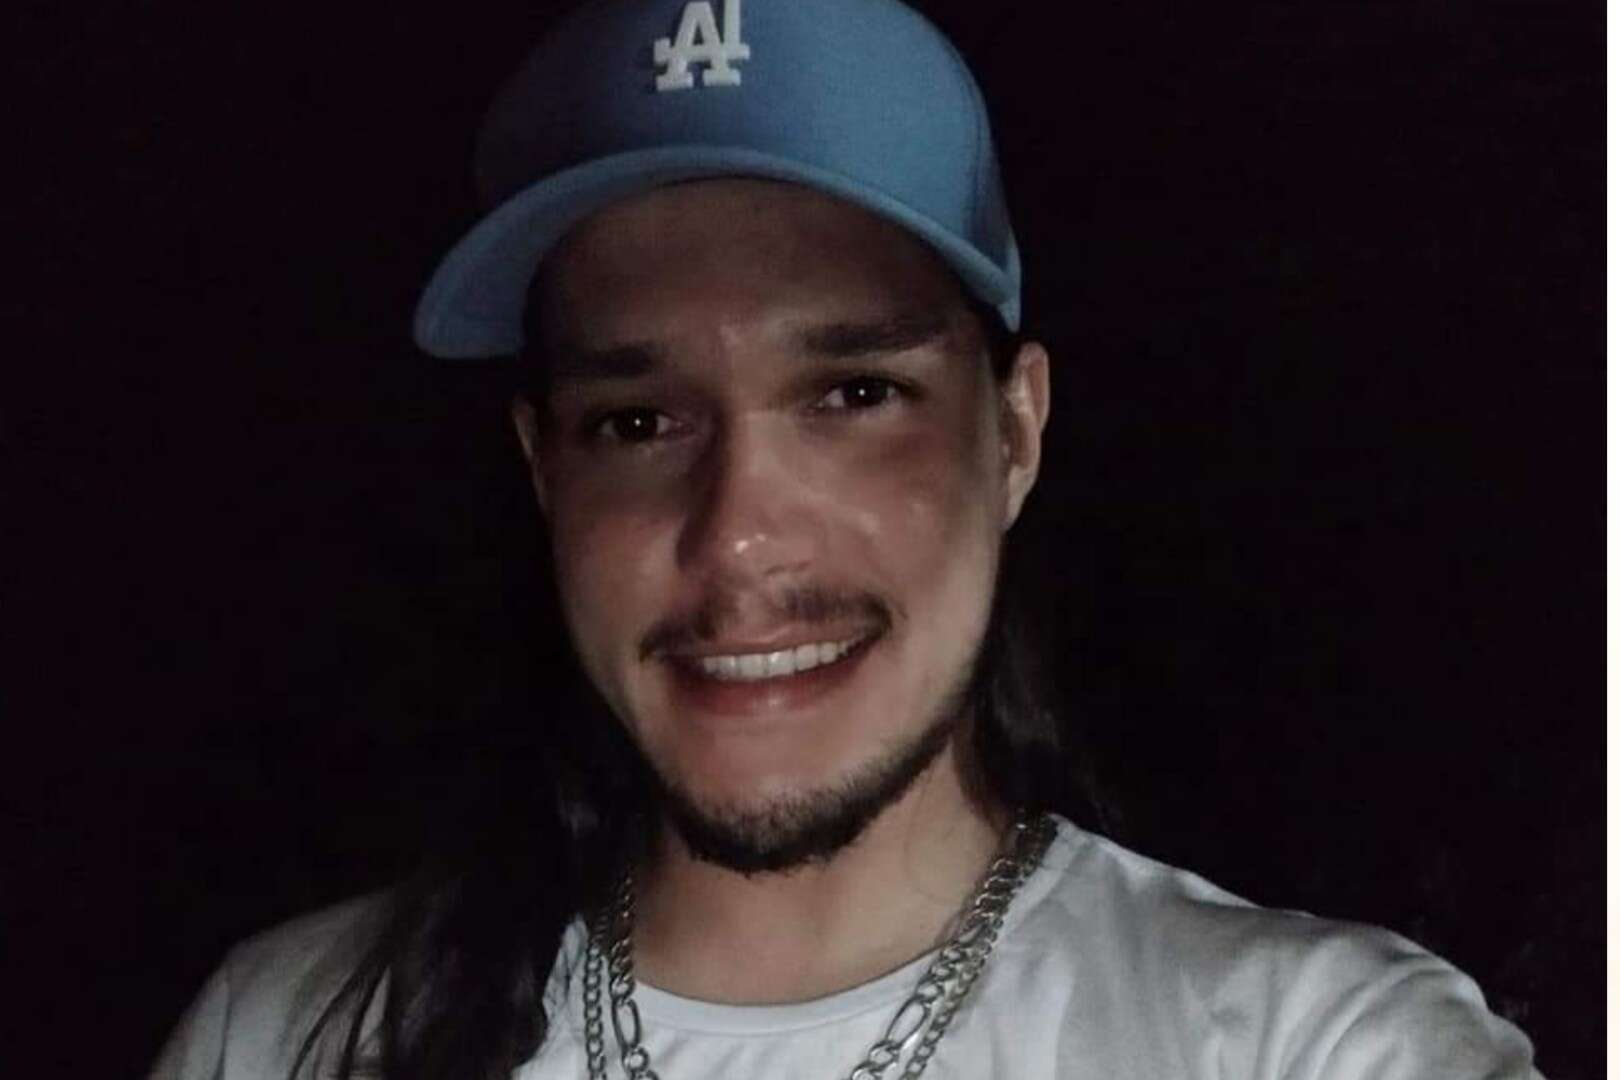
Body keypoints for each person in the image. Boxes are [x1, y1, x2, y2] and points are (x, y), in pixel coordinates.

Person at [151, 0, 1543, 1077]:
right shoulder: (291, 1034)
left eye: (854, 395)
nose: (740, 540)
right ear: (543, 471)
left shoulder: (1318, 1047)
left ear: (1015, 434)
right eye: (638, 421)